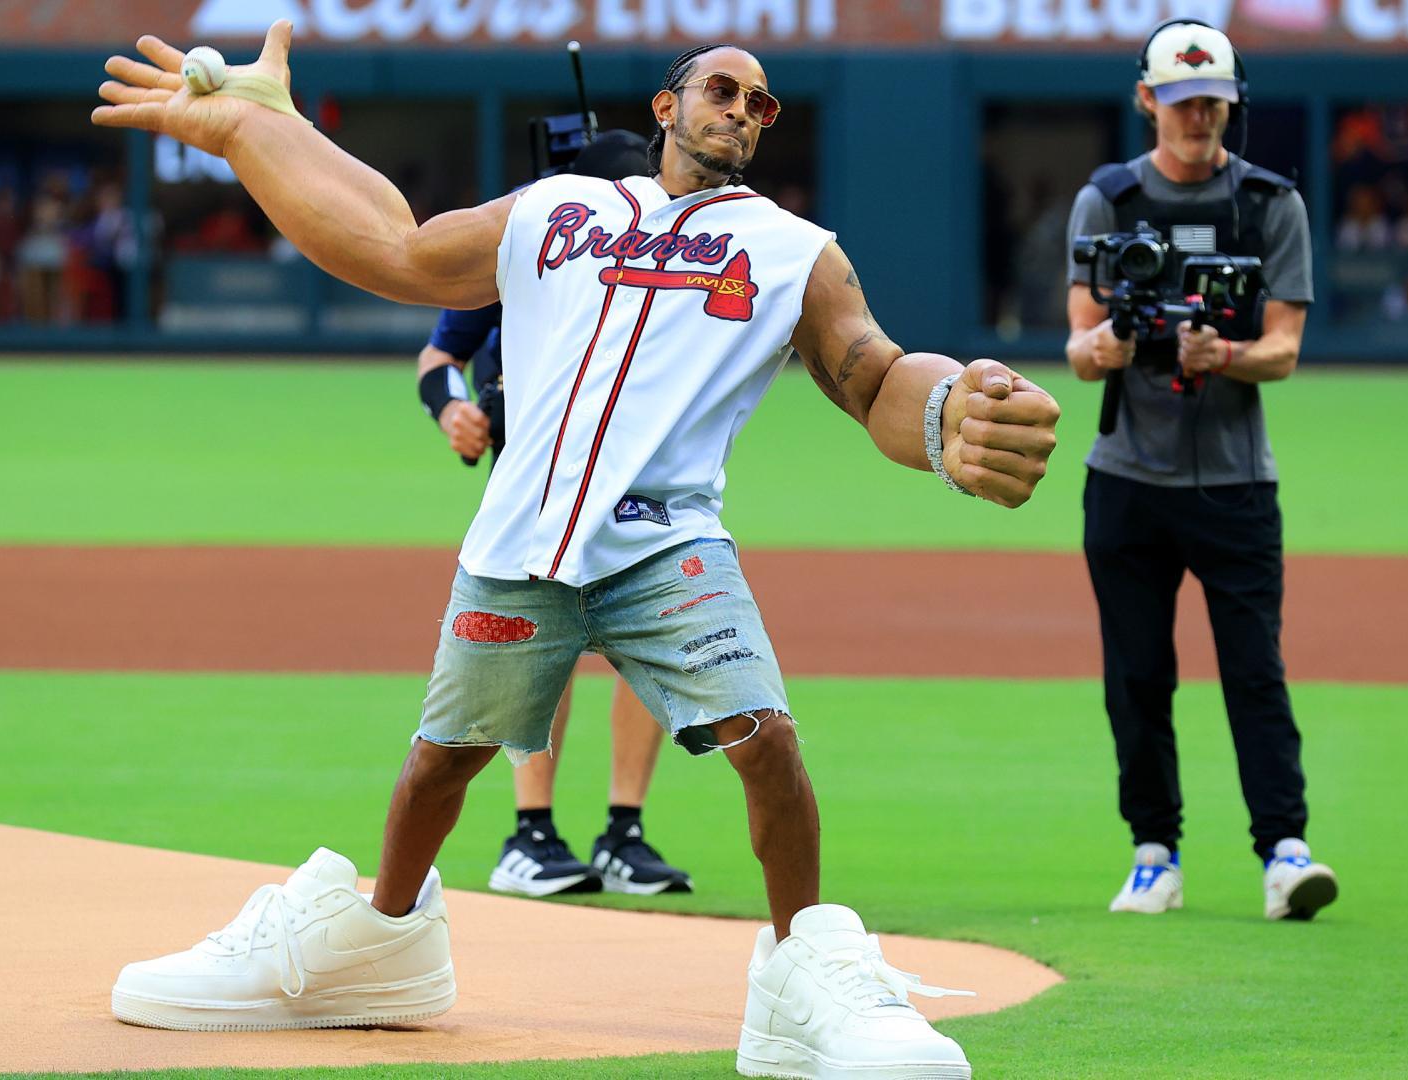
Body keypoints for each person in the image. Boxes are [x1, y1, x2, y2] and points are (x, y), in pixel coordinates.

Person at [93, 25, 1060, 1077]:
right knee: (439, 764)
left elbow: (870, 375)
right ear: (665, 106)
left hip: (668, 545)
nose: (742, 109)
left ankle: (803, 973)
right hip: (519, 545)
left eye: (763, 104)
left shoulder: (792, 249)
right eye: (723, 89)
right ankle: (378, 940)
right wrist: (253, 131)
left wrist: (947, 411)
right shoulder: (562, 209)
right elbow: (395, 244)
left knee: (768, 742)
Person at [1063, 19, 1339, 922]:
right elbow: (1077, 350)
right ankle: (1154, 853)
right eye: (1181, 102)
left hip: (1234, 480)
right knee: (1136, 673)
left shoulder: (1270, 204)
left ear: (1233, 103)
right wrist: (1118, 336)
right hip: (1127, 477)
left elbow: (1287, 351)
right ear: (1149, 100)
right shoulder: (1106, 201)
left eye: (1213, 102)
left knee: (1254, 669)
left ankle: (1284, 852)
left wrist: (1223, 354)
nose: (1198, 119)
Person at [417, 128, 694, 899]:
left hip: (641, 485)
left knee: (649, 645)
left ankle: (622, 833)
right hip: (537, 480)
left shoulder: (677, 260)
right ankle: (530, 833)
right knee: (547, 643)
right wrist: (452, 411)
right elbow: (440, 358)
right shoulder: (536, 251)